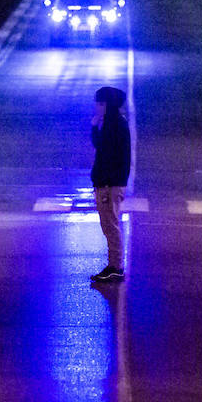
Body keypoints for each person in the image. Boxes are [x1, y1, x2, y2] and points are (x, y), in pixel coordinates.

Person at [90, 86, 132, 282]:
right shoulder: (112, 123)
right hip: (108, 182)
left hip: (109, 183)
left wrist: (105, 182)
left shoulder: (115, 125)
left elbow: (106, 153)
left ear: (108, 104)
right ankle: (114, 264)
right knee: (108, 224)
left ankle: (115, 266)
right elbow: (101, 147)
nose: (97, 107)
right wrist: (95, 126)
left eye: (100, 103)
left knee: (110, 224)